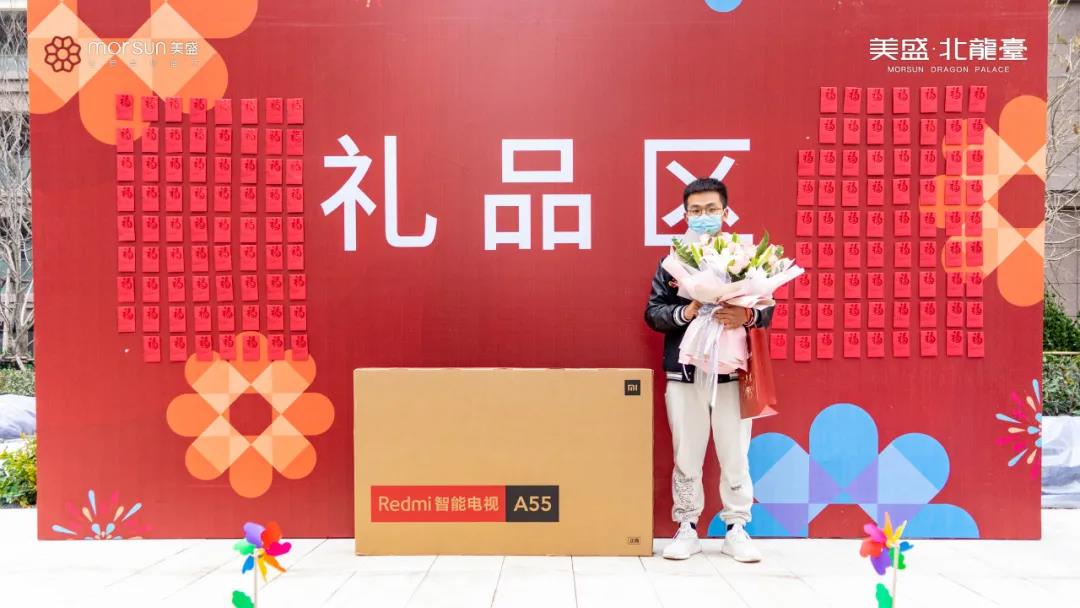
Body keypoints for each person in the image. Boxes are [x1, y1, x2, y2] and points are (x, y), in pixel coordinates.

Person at [644, 178, 773, 562]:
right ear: (685, 215)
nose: (704, 217)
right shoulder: (673, 263)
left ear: (726, 213)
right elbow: (653, 313)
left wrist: (745, 316)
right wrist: (688, 310)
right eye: (696, 211)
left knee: (735, 452)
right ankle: (686, 526)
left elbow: (766, 310)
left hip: (732, 372)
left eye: (711, 209)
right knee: (687, 452)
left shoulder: (745, 258)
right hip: (685, 372)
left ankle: (737, 528)